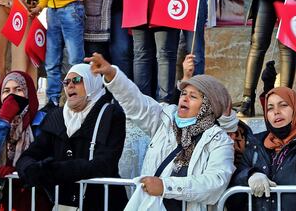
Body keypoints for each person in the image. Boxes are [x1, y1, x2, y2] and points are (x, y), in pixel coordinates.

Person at [87, 52, 234, 211]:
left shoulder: (219, 140)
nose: (184, 98)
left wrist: (165, 186)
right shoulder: (165, 118)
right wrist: (112, 74)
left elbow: (215, 183)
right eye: (183, 93)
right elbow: (136, 102)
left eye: (193, 96)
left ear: (208, 106)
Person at [16, 63, 127, 210]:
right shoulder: (55, 116)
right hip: (65, 205)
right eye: (66, 82)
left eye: (76, 80)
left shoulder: (111, 114)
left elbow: (104, 164)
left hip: (103, 204)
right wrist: (31, 169)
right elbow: (28, 156)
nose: (70, 86)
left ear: (91, 82)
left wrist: (52, 171)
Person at [0, 71, 44, 210]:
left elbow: (45, 158)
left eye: (18, 90)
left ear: (29, 93)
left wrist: (18, 169)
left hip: (33, 200)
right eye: (6, 91)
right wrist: (4, 120)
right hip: (2, 200)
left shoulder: (42, 122)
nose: (11, 95)